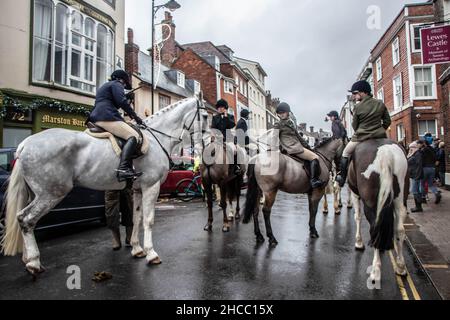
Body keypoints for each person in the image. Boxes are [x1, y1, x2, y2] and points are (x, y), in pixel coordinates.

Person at [88, 70, 144, 182]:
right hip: (107, 116)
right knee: (133, 136)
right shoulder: (116, 84)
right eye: (124, 84)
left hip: (97, 116)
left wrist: (125, 97)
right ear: (122, 80)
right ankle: (123, 168)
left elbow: (113, 100)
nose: (123, 86)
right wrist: (136, 118)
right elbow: (122, 101)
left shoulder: (105, 85)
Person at [336, 80, 391, 187]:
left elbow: (355, 125)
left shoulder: (357, 107)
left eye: (355, 93)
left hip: (361, 137)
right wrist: (379, 129)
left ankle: (342, 178)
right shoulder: (380, 103)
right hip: (380, 136)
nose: (354, 96)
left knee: (345, 153)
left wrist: (361, 131)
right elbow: (387, 121)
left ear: (363, 92)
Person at [274, 102, 323, 189]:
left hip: (296, 146)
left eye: (283, 113)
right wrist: (278, 149)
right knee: (315, 157)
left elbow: (298, 136)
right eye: (279, 113)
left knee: (311, 155)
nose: (281, 115)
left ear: (288, 112)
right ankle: (314, 181)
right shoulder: (278, 124)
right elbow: (274, 137)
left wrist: (308, 146)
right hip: (292, 148)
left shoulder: (290, 123)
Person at [422, 136, 442, 204]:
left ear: (425, 143)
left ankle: (423, 198)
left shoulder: (424, 150)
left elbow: (421, 158)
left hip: (425, 168)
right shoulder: (432, 149)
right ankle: (436, 193)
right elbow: (436, 158)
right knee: (431, 184)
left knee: (422, 184)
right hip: (432, 168)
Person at [408, 141, 424, 213]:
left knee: (415, 191)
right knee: (416, 191)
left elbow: (419, 165)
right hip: (414, 175)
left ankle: (418, 207)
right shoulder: (414, 154)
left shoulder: (417, 154)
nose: (410, 149)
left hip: (416, 175)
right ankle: (418, 206)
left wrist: (417, 175)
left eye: (411, 147)